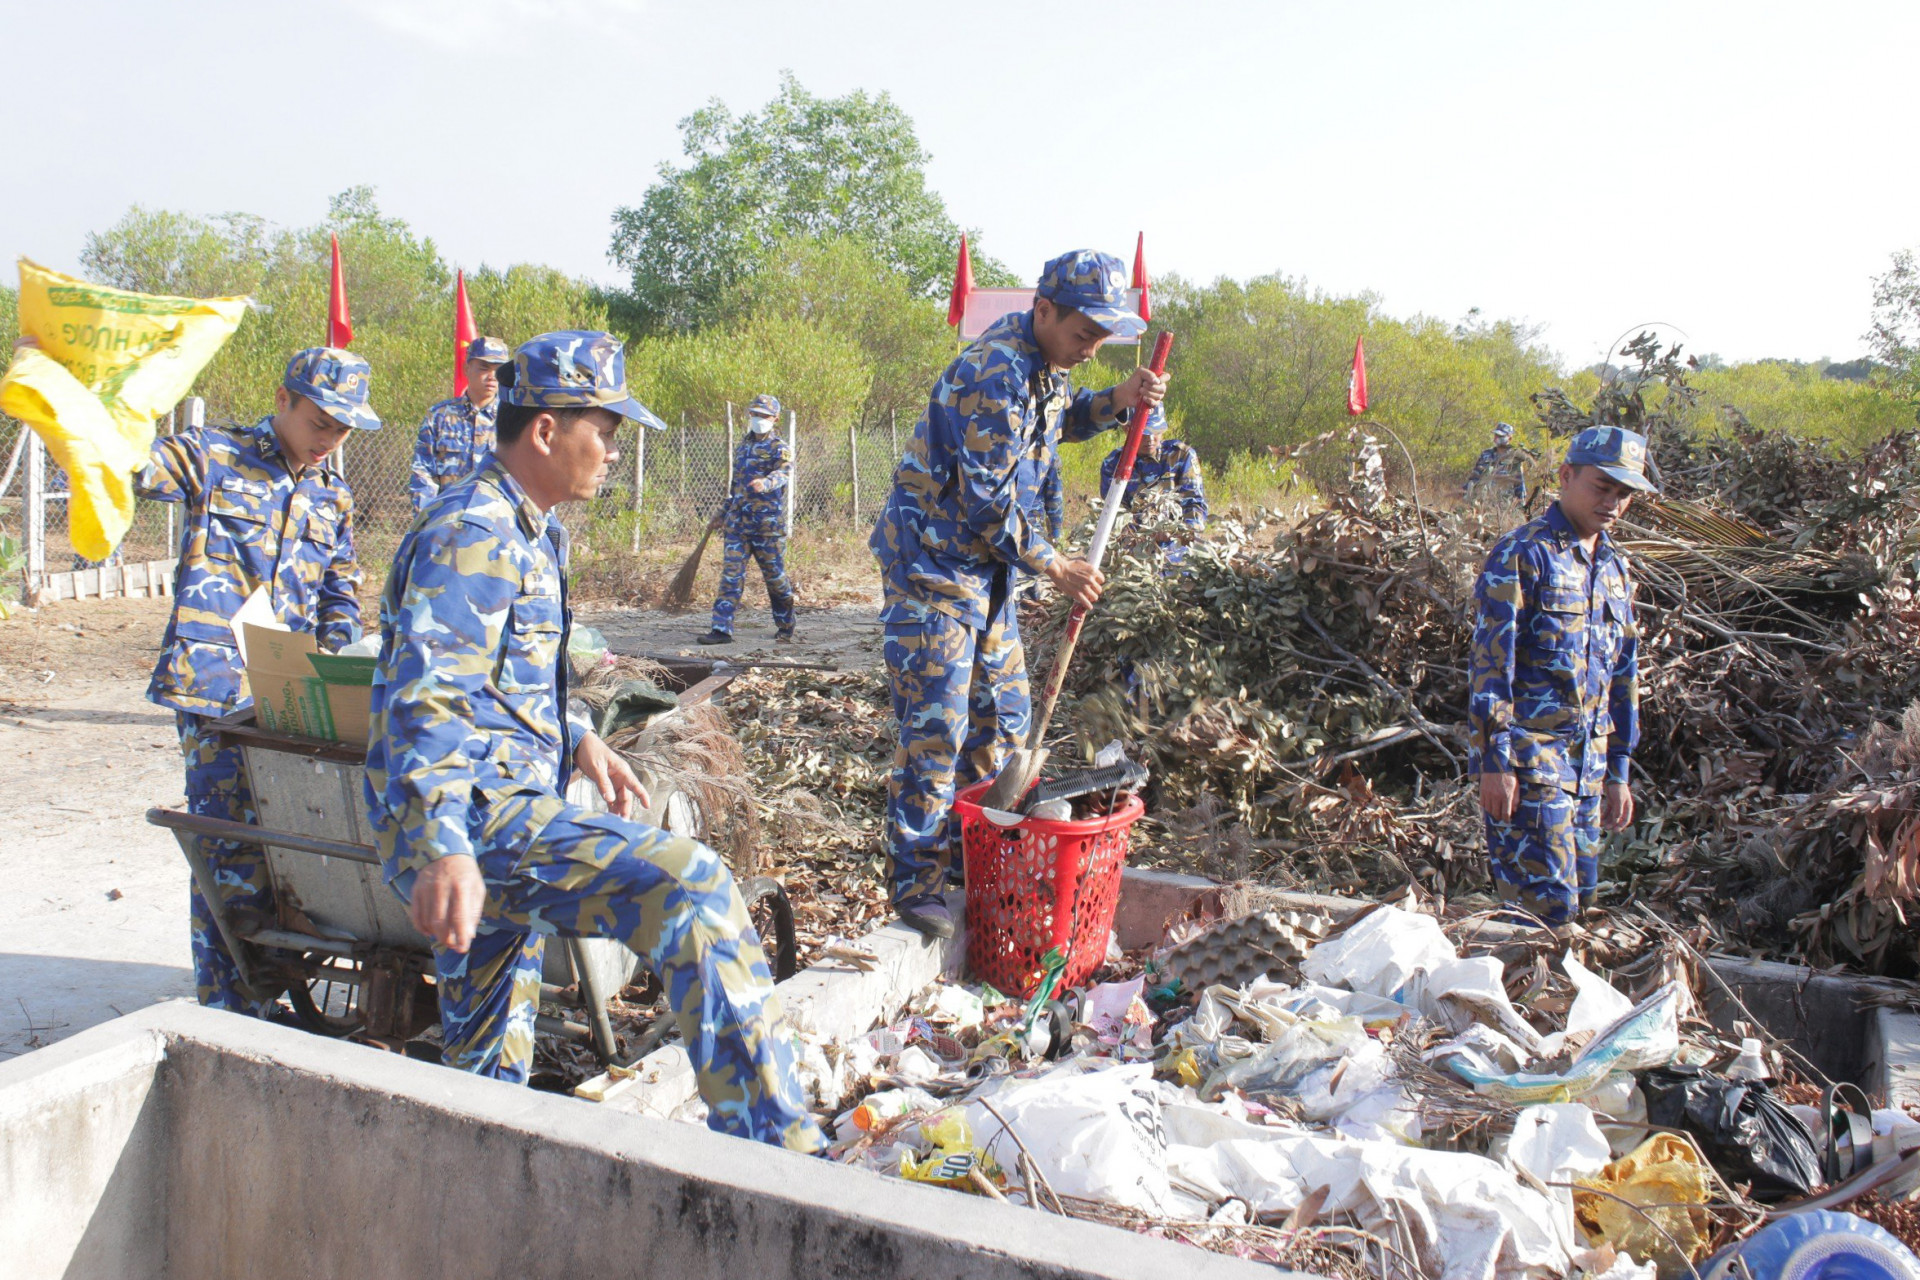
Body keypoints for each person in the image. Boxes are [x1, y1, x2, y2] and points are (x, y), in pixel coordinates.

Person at [364, 331, 823, 1153]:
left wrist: (578, 738)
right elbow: (422, 696)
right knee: (691, 885)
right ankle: (787, 1160)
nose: (612, 451)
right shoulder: (475, 531)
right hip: (475, 823)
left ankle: (473, 1187)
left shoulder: (532, 529)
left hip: (499, 806)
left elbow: (503, 678)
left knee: (486, 1061)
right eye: (603, 431)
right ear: (546, 430)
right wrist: (443, 845)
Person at [869, 249, 1168, 938]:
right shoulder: (995, 370)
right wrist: (1055, 564)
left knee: (1004, 723)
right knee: (935, 734)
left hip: (988, 577)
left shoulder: (1046, 367)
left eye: (1101, 336)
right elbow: (986, 501)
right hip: (933, 573)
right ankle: (918, 886)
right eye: (1083, 332)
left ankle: (975, 860)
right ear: (1043, 310)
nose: (1091, 348)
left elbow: (1058, 422)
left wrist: (1117, 403)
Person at [137, 347, 375, 1013]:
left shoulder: (332, 496)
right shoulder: (214, 457)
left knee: (290, 843)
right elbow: (134, 468)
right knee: (227, 843)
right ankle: (227, 1002)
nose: (330, 439)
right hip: (215, 688)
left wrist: (339, 666)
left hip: (289, 693)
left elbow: (339, 595)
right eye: (321, 421)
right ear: (283, 400)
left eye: (343, 429)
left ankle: (272, 979)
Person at [1468, 426, 1652, 926]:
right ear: (1566, 476)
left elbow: (1624, 674)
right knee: (1544, 916)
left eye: (1624, 493)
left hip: (1589, 772)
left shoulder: (1615, 568)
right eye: (1602, 487)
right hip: (1529, 767)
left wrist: (1618, 772)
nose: (1612, 502)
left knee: (1582, 906)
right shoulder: (1524, 554)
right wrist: (1495, 761)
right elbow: (1491, 667)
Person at [697, 393, 796, 645]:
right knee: (731, 576)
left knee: (775, 580)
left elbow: (783, 474)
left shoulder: (779, 448)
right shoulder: (743, 447)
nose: (758, 419)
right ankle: (721, 629)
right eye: (754, 414)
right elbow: (736, 488)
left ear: (774, 418)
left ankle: (785, 624)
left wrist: (766, 483)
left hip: (767, 528)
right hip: (737, 526)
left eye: (763, 416)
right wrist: (722, 513)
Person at [409, 336, 509, 511]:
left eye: (498, 370)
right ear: (467, 369)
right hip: (447, 521)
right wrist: (427, 522)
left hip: (500, 524)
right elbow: (423, 474)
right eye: (484, 368)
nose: (492, 376)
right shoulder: (439, 417)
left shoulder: (512, 418)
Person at [1097, 404, 1207, 528]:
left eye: (1155, 430)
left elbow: (1195, 504)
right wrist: (1140, 533)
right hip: (1132, 541)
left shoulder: (1181, 456)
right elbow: (1113, 514)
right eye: (1143, 431)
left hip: (1177, 542)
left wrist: (1178, 531)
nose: (1150, 439)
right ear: (1127, 429)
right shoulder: (1113, 465)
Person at [1463, 422, 1529, 506]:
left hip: (1504, 503)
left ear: (1509, 438)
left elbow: (1519, 484)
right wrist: (1465, 492)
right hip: (1482, 502)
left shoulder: (1514, 458)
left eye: (1501, 436)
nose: (1497, 438)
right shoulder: (1486, 454)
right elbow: (1474, 477)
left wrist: (1521, 505)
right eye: (1496, 435)